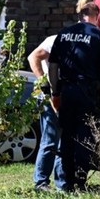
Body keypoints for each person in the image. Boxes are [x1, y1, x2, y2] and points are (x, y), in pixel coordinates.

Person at [48, 0, 100, 191]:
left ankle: (64, 183)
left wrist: (55, 92)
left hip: (67, 91)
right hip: (88, 93)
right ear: (99, 17)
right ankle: (79, 182)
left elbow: (53, 67)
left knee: (67, 137)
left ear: (79, 15)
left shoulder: (62, 35)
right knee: (85, 138)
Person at [27, 34, 65, 191]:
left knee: (64, 140)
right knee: (50, 140)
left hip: (65, 95)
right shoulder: (55, 40)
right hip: (50, 96)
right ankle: (41, 182)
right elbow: (33, 57)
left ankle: (62, 182)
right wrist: (44, 83)